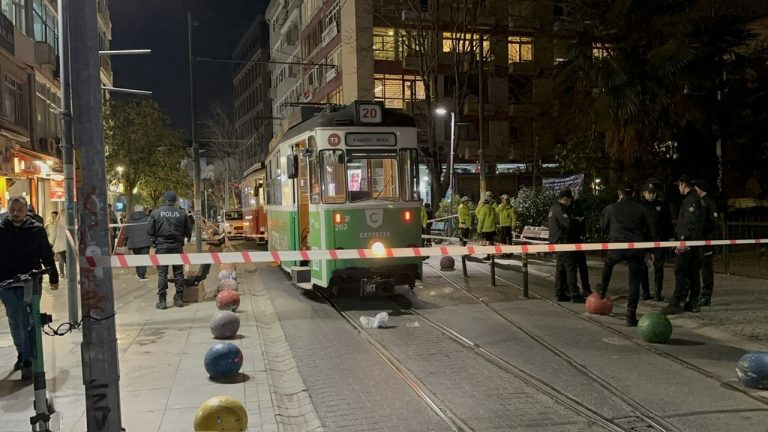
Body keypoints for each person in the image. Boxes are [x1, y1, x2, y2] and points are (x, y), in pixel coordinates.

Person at [0, 195, 59, 380]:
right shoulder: (1, 230)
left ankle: (27, 359)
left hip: (30, 282)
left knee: (28, 320)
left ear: (26, 211)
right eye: (13, 210)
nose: (16, 213)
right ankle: (21, 352)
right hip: (7, 283)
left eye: (19, 210)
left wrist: (54, 276)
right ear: (8, 210)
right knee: (14, 320)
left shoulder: (36, 230)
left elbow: (46, 255)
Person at [597, 183, 655, 326]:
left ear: (619, 193)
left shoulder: (611, 208)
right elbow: (651, 229)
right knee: (634, 281)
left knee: (608, 264)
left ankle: (602, 291)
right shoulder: (641, 208)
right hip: (636, 248)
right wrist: (648, 249)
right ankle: (631, 315)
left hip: (617, 246)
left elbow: (603, 227)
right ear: (634, 193)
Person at [662, 175, 704, 315]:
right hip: (694, 243)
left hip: (688, 243)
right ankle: (692, 302)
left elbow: (690, 223)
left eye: (679, 185)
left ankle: (677, 302)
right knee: (693, 273)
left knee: (681, 271)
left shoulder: (690, 200)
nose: (678, 188)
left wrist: (682, 240)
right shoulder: (696, 199)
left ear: (683, 184)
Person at [147, 191, 192, 309]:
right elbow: (188, 230)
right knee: (178, 272)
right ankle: (180, 299)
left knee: (162, 273)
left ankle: (162, 301)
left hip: (161, 246)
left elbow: (149, 231)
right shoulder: (181, 213)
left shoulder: (156, 213)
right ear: (175, 200)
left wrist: (155, 240)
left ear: (164, 199)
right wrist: (185, 237)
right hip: (177, 246)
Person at [639, 182, 673, 301]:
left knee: (659, 266)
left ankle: (658, 292)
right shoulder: (639, 205)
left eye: (654, 193)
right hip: (644, 240)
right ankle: (646, 291)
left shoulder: (661, 205)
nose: (652, 195)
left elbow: (667, 222)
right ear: (644, 193)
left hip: (658, 239)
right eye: (649, 193)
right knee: (643, 266)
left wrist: (670, 236)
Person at [549, 189, 583, 303]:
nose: (570, 203)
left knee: (561, 268)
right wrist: (577, 221)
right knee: (570, 268)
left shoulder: (553, 208)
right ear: (566, 199)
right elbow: (568, 224)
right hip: (564, 242)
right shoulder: (561, 209)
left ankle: (560, 293)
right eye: (569, 201)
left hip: (557, 242)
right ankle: (574, 294)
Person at [695, 179, 719, 307]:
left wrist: (707, 235)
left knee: (706, 268)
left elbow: (713, 222)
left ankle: (706, 295)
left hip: (706, 240)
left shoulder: (709, 202)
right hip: (697, 240)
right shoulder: (697, 202)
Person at [569, 197, 592, 296]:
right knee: (581, 266)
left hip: (572, 241)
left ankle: (574, 289)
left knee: (572, 267)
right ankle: (585, 288)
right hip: (577, 241)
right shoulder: (578, 208)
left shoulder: (569, 208)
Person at [126, 205, 153, 281]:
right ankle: (142, 275)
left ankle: (139, 274)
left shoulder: (129, 220)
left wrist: (126, 242)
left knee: (137, 258)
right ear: (142, 210)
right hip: (145, 242)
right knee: (144, 258)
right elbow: (151, 230)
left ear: (134, 210)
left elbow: (127, 232)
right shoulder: (147, 219)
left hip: (133, 242)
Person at [47, 211, 68, 279]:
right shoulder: (68, 221)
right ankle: (68, 273)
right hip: (67, 243)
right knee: (67, 259)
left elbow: (54, 233)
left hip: (59, 243)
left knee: (61, 258)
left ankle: (62, 273)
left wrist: (52, 243)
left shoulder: (57, 222)